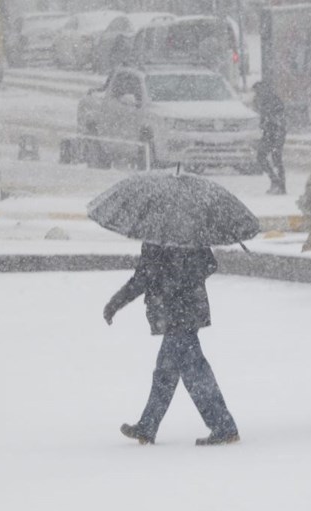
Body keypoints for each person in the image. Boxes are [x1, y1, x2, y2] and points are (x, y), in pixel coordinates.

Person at [104, 242, 240, 446]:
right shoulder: (188, 232)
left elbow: (141, 278)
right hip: (188, 312)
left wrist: (115, 303)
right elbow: (209, 264)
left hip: (176, 316)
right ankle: (147, 427)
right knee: (166, 374)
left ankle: (223, 426)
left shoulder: (156, 237)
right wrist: (186, 276)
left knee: (195, 373)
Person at [251, 81, 286, 195]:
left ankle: (279, 184)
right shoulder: (267, 100)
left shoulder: (271, 101)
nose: (255, 94)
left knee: (272, 158)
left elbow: (277, 119)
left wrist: (272, 127)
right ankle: (278, 183)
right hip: (270, 133)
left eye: (256, 92)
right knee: (270, 158)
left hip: (274, 133)